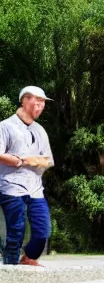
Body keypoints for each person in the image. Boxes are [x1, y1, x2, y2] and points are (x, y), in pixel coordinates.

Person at [0, 86, 54, 266]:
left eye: (43, 103)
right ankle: (10, 269)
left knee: (43, 231)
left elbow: (48, 161)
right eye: (37, 101)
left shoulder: (40, 131)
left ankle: (28, 259)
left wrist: (33, 160)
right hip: (11, 187)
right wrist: (24, 161)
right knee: (15, 232)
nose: (40, 106)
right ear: (24, 100)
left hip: (35, 189)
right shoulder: (6, 126)